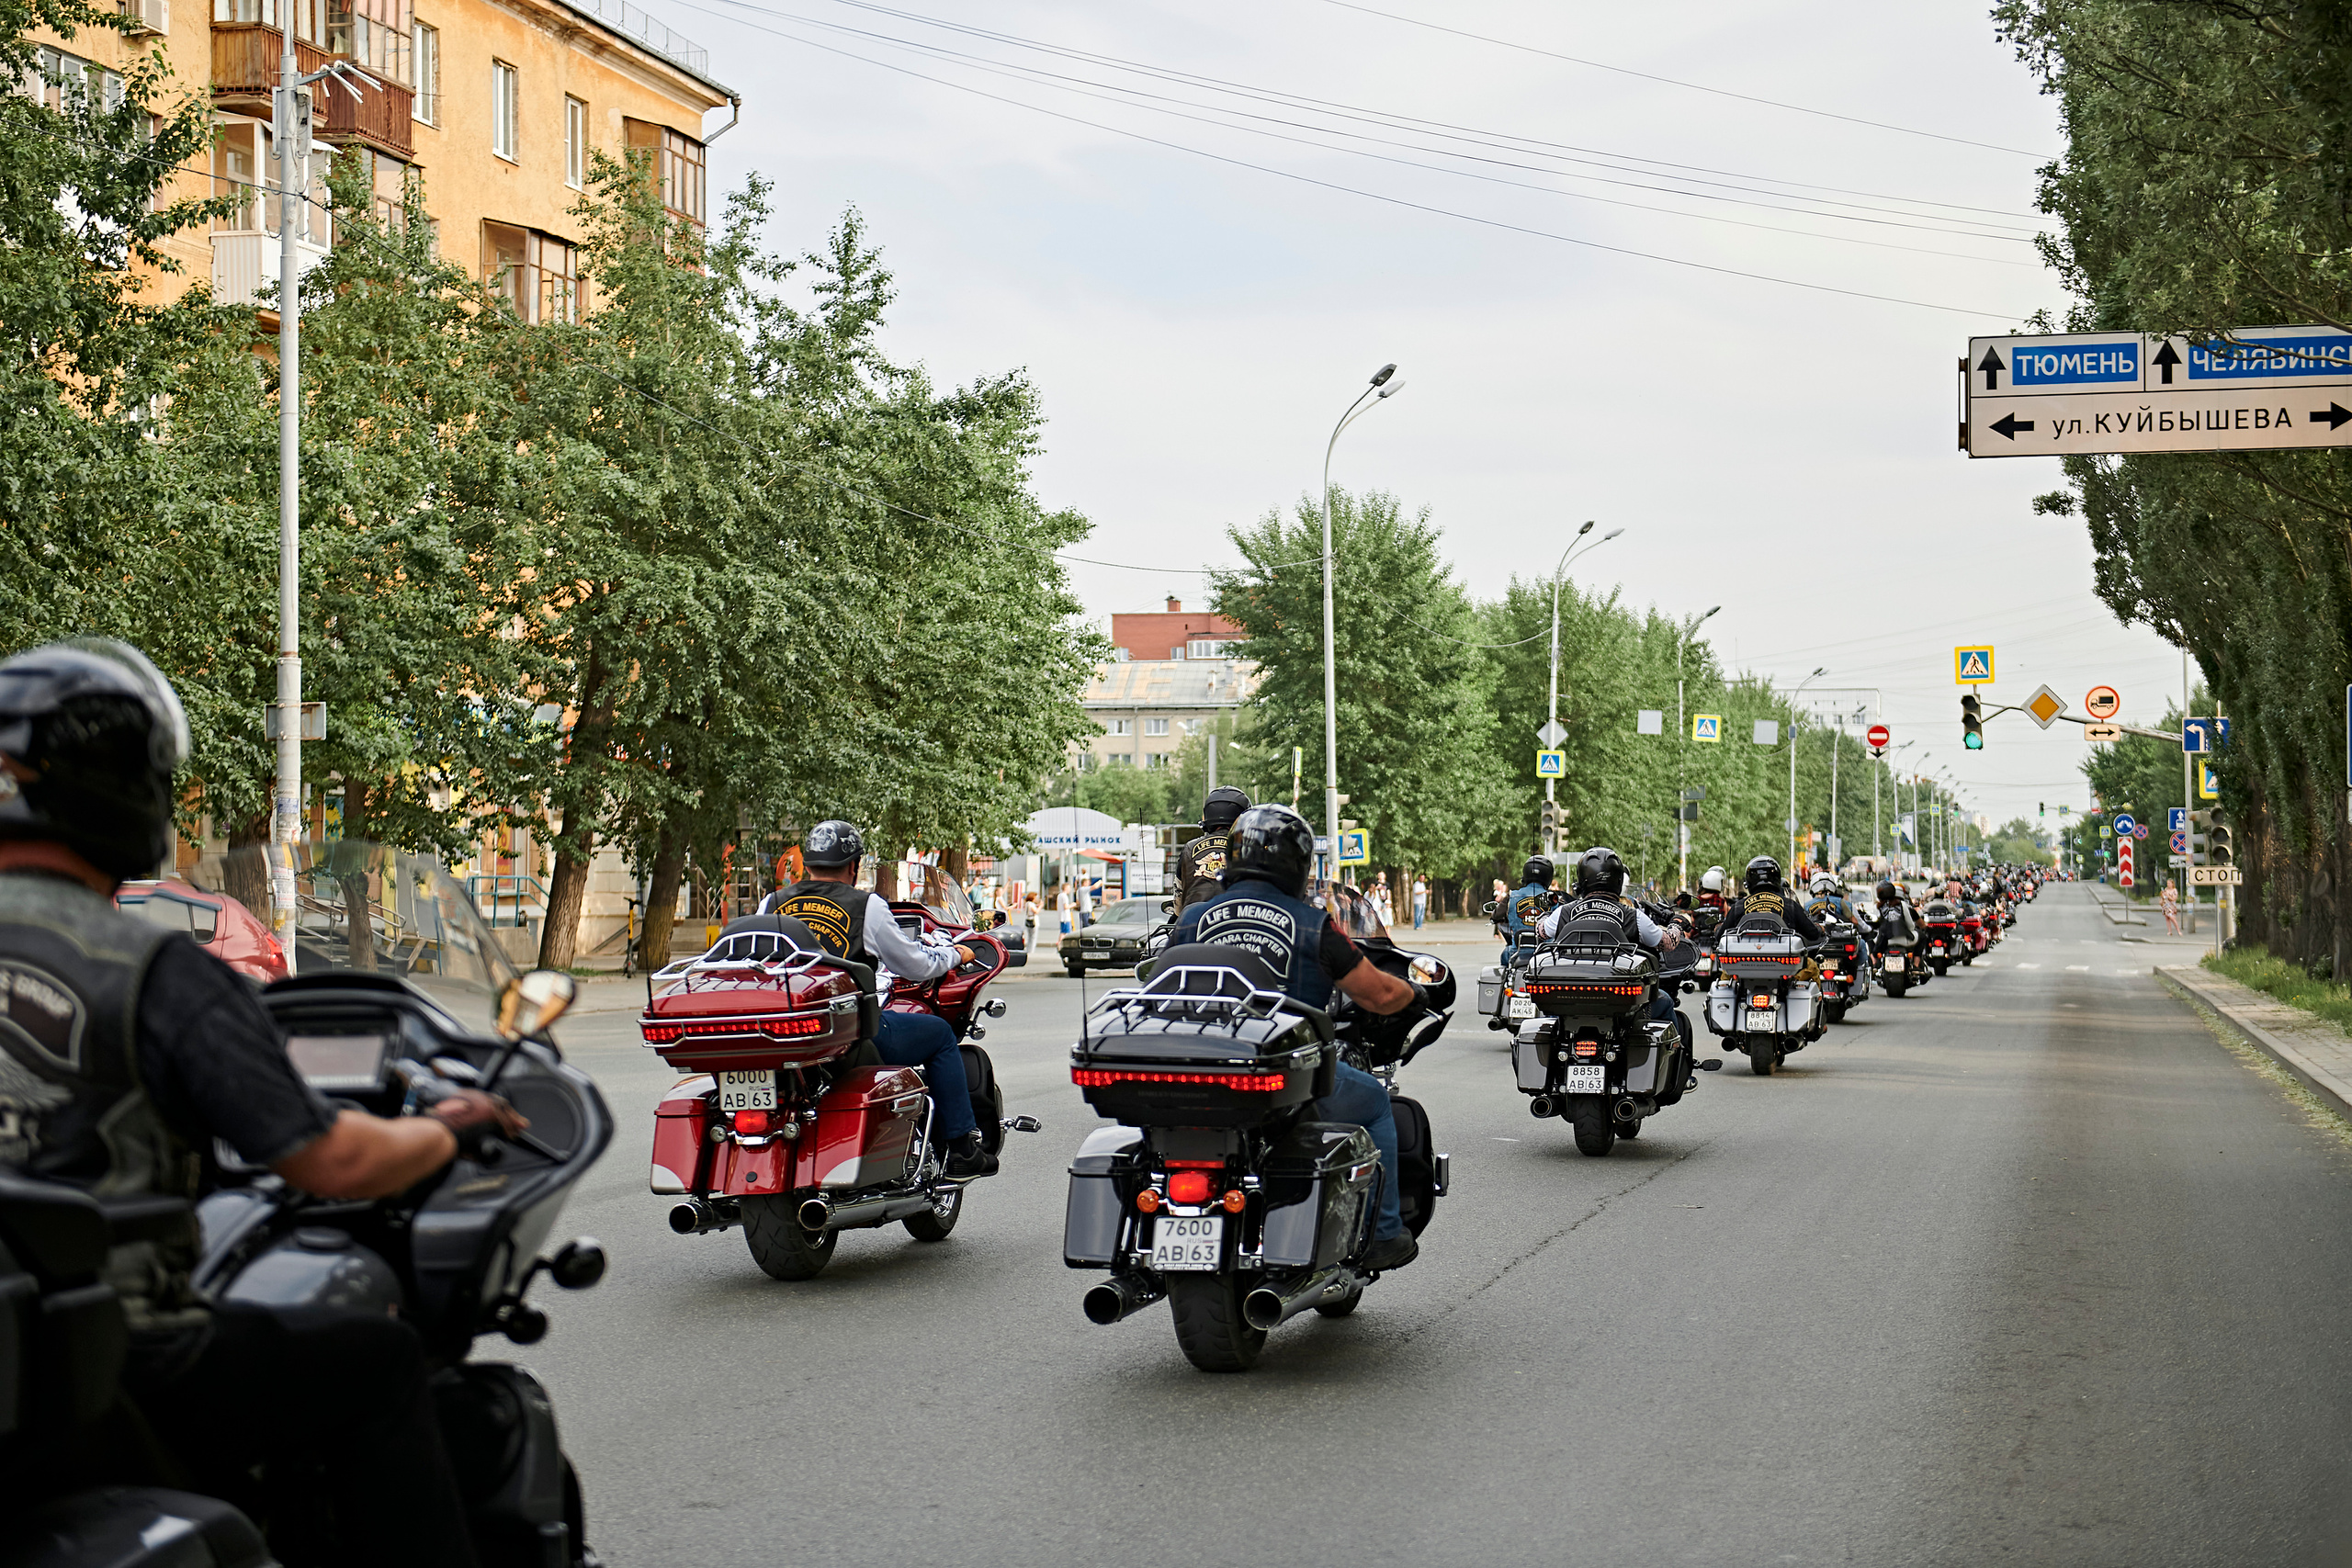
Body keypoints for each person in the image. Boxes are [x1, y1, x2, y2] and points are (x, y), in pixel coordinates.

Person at [0, 639, 520, 1568]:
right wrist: (440, 1132)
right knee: (380, 1363)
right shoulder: (152, 967)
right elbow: (332, 1161)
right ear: (133, 786)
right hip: (112, 1364)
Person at [1170, 805, 1426, 1271]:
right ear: (1298, 864)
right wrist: (1414, 992)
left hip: (1195, 1070)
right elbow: (1379, 994)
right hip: (1277, 1078)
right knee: (1373, 1100)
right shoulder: (1311, 924)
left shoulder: (1193, 919)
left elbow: (1161, 984)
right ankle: (1385, 1232)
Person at [772, 821, 997, 1177]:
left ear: (807, 863)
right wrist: (958, 955)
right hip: (851, 1032)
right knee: (938, 1035)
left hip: (788, 1032)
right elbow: (917, 965)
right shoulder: (868, 907)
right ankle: (961, 1149)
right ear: (854, 865)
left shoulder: (774, 902)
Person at [1534, 846, 1693, 1056]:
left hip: (1568, 997)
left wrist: (1544, 916)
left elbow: (1541, 931)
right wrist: (1677, 924)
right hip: (1619, 1002)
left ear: (1582, 880)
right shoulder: (1632, 915)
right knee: (1664, 1001)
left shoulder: (1565, 912)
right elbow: (1667, 943)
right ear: (1618, 881)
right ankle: (1679, 1061)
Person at [1174, 785, 1249, 912]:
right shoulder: (1249, 847)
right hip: (1237, 922)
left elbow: (1178, 895)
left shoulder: (1189, 848)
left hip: (1194, 924)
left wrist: (1176, 916)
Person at [1500, 854, 1555, 962]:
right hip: (1545, 953)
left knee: (1505, 954)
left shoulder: (1512, 896)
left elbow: (1497, 915)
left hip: (1517, 952)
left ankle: (1507, 978)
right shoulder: (1554, 898)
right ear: (1548, 877)